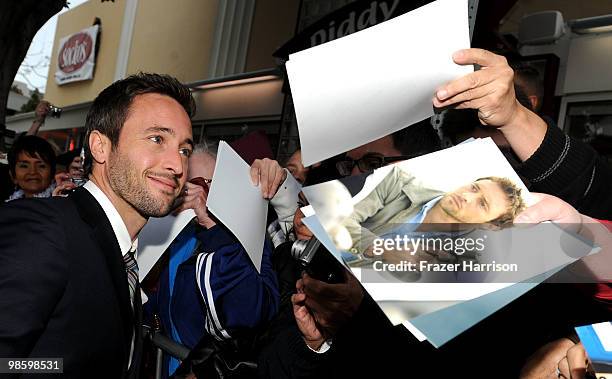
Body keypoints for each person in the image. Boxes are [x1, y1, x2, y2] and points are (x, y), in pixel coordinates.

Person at [0, 73, 195, 378]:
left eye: (185, 149)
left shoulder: (122, 254)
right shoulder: (44, 231)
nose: (178, 165)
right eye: (157, 139)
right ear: (100, 147)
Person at [147, 142, 295, 378]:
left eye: (206, 186)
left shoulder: (249, 237)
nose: (196, 195)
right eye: (187, 185)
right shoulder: (177, 235)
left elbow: (249, 312)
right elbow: (167, 301)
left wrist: (212, 226)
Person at [342, 165, 525, 255]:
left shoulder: (461, 257)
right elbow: (340, 220)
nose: (467, 197)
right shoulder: (399, 182)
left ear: (489, 226)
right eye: (474, 188)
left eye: (482, 204)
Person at [6, 135, 56, 201]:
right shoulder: (7, 207)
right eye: (24, 166)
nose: (33, 172)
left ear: (52, 174)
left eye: (41, 166)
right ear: (13, 175)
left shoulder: (63, 202)